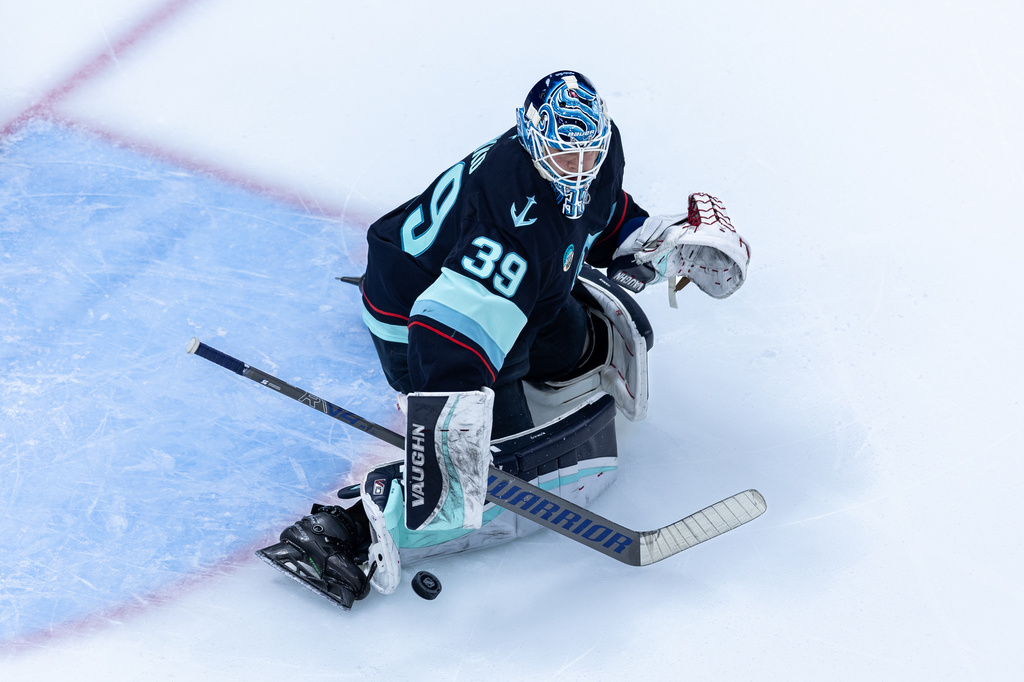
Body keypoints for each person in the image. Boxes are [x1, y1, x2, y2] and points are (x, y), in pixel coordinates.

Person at [265, 70, 750, 608]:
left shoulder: (598, 150)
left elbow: (600, 213)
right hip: (413, 305)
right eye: (565, 158)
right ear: (530, 136)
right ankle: (349, 527)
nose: (580, 170)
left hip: (526, 287)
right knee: (501, 460)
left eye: (589, 156)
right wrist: (453, 443)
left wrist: (654, 242)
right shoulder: (512, 219)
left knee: (578, 349)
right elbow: (446, 333)